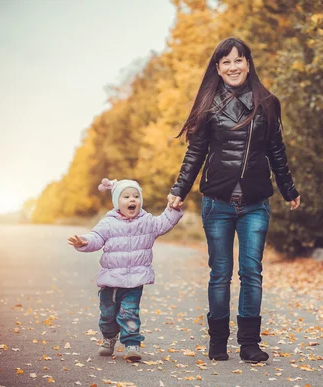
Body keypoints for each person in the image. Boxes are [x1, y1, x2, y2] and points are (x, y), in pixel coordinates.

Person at [167, 37, 301, 363]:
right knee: (220, 273)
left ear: (248, 63)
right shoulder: (208, 104)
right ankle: (217, 342)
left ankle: (250, 344)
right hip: (217, 202)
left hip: (256, 202)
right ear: (218, 68)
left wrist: (288, 189)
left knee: (252, 272)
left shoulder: (267, 103)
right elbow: (195, 153)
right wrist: (179, 189)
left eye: (238, 60)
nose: (233, 67)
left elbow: (276, 151)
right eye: (226, 62)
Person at [69, 178, 183, 361]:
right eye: (127, 196)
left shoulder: (146, 222)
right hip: (111, 280)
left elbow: (164, 222)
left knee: (130, 313)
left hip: (134, 282)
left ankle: (132, 344)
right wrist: (85, 241)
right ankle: (108, 338)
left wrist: (174, 209)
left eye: (136, 196)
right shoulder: (108, 223)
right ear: (117, 202)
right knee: (107, 316)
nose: (132, 200)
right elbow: (96, 236)